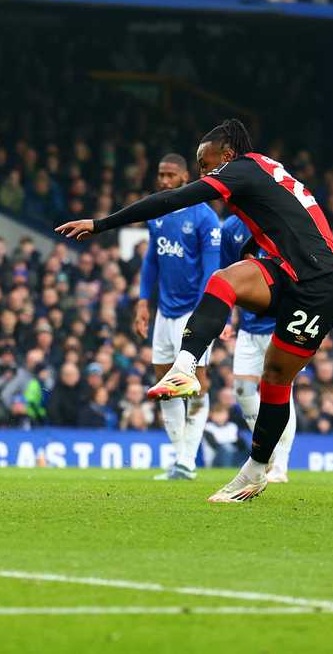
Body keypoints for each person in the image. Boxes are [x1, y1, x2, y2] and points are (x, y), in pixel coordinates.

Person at [56, 119, 333, 503]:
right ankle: (185, 369)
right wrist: (251, 245)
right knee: (223, 281)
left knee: (276, 378)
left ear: (227, 156)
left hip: (320, 286)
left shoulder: (240, 169)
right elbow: (287, 214)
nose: (202, 173)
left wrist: (102, 224)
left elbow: (174, 199)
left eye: (204, 164)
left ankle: (257, 470)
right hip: (291, 271)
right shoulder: (261, 169)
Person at [135, 153, 220, 481]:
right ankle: (181, 459)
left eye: (171, 175)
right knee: (164, 382)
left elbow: (211, 271)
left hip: (191, 312)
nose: (165, 180)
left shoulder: (204, 218)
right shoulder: (156, 212)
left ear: (186, 176)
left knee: (196, 383)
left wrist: (203, 313)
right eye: (161, 174)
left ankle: (186, 461)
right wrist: (144, 301)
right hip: (164, 313)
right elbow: (151, 262)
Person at [220, 213, 295, 483]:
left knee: (281, 391)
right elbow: (225, 274)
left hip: (280, 324)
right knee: (242, 390)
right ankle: (270, 449)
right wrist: (227, 318)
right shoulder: (230, 228)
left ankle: (280, 464)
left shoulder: (280, 222)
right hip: (249, 329)